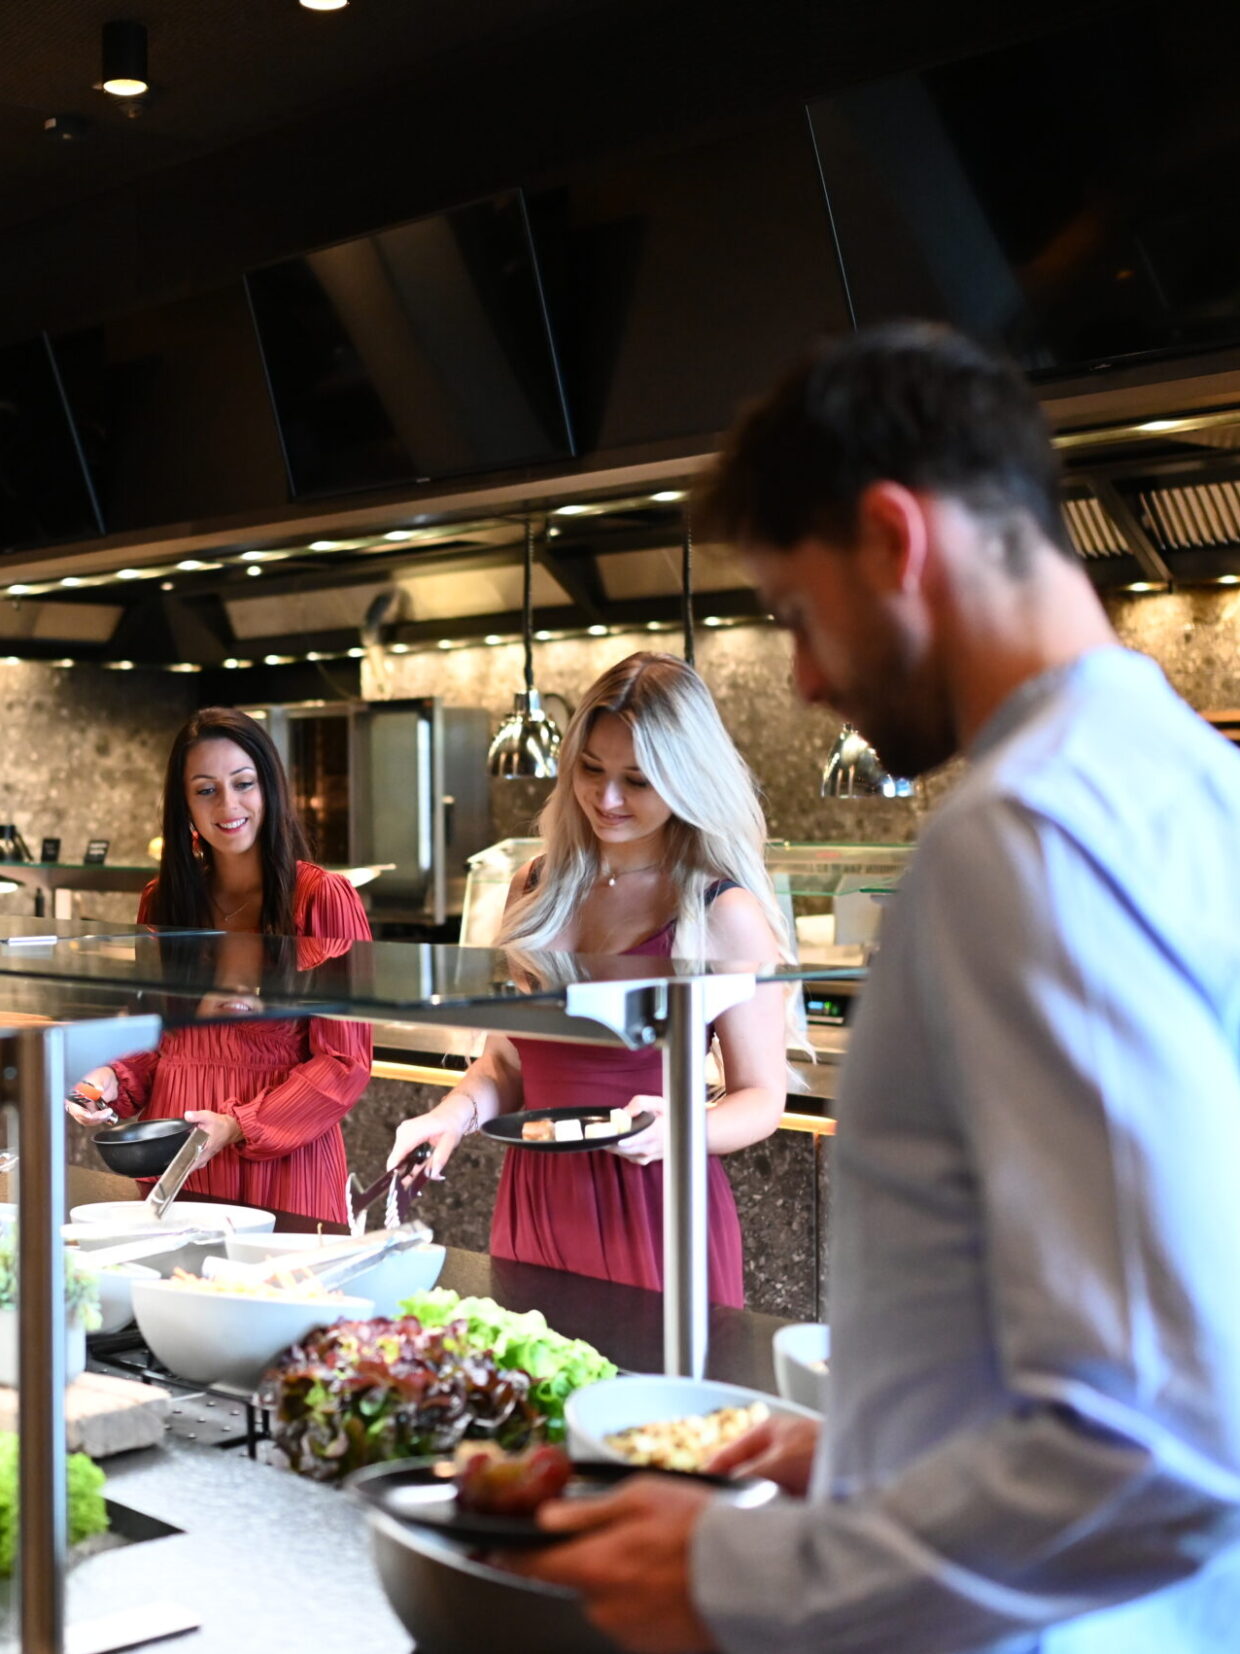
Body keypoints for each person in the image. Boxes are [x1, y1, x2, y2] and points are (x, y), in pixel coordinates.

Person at [512, 323, 1240, 1654]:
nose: (802, 678)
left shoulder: (1031, 836)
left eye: (798, 614)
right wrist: (866, 1452)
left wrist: (745, 1578)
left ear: (897, 540)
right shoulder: (1188, 785)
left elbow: (1153, 1443)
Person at [386, 652, 793, 1306]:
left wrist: (679, 1128)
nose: (606, 799)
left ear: (687, 780)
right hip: (536, 1197)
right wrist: (449, 1117)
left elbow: (762, 1097)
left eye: (637, 780)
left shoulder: (723, 910)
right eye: (591, 769)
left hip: (654, 1203)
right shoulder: (535, 887)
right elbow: (506, 1064)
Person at [66, 706, 372, 1225]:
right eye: (206, 790)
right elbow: (160, 1036)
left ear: (269, 788)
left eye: (243, 783)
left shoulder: (321, 898)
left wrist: (238, 1125)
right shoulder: (162, 900)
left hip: (280, 1161)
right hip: (177, 1154)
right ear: (184, 804)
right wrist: (112, 1077)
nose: (228, 805)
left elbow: (345, 1063)